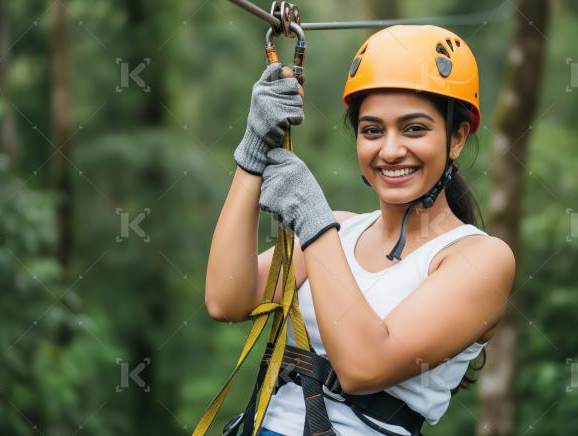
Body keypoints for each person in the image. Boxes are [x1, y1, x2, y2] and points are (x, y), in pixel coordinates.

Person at [205, 25, 515, 436]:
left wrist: (314, 222)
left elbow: (363, 367)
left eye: (414, 128)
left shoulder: (480, 259)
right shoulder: (341, 230)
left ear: (457, 138)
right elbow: (227, 300)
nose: (389, 150)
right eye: (372, 130)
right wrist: (252, 152)